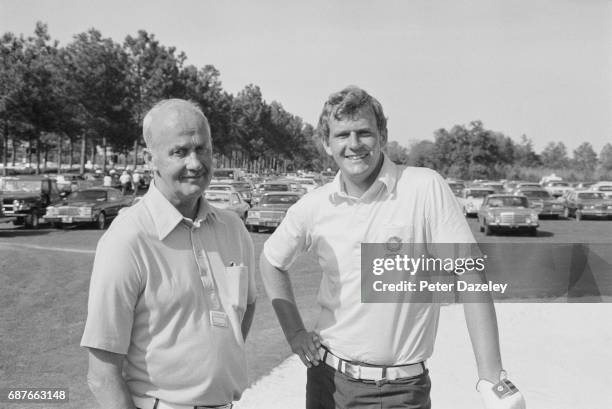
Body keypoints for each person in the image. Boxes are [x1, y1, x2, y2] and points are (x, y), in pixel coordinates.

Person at [260, 86, 525, 409]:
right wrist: (295, 333)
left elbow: (470, 275)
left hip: (403, 391)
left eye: (364, 133)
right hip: (328, 384)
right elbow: (271, 261)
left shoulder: (423, 187)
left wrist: (492, 377)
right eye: (342, 135)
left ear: (382, 136)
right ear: (327, 145)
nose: (354, 144)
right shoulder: (314, 206)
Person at [81, 99, 257, 409]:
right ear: (151, 159)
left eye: (202, 149)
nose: (195, 163)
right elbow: (102, 373)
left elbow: (245, 307)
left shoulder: (233, 228)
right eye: (179, 152)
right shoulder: (127, 239)